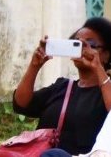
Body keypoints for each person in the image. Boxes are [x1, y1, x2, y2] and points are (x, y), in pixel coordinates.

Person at [12, 18, 111, 157]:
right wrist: (34, 66)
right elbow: (21, 103)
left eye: (90, 44)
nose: (82, 49)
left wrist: (98, 68)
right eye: (77, 44)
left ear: (106, 55)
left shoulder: (105, 92)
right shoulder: (62, 86)